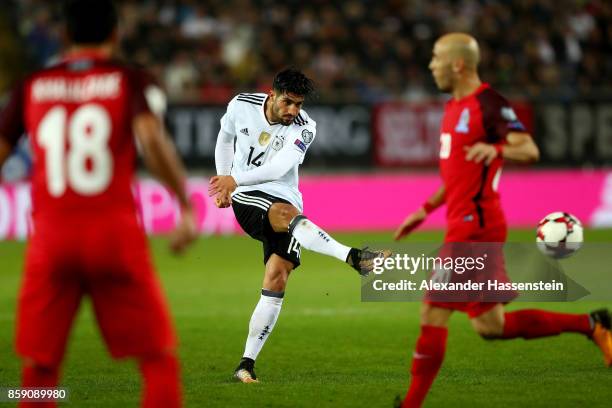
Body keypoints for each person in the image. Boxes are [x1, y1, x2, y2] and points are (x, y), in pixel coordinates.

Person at [393, 33, 612, 408]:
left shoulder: (489, 105)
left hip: (475, 226)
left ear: (458, 64)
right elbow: (458, 175)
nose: (431, 66)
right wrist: (426, 209)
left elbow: (529, 148)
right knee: (491, 327)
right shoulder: (452, 108)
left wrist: (495, 148)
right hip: (464, 221)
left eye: (436, 58)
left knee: (432, 308)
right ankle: (594, 325)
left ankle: (410, 405)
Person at [0, 1, 197, 407]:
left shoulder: (33, 84)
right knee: (157, 359)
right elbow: (151, 141)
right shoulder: (130, 79)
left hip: (50, 241)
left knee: (39, 367)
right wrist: (185, 204)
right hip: (113, 236)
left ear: (65, 36)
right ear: (115, 34)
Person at [210, 67, 391, 383]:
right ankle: (355, 258)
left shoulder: (306, 127)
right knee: (284, 215)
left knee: (277, 277)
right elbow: (225, 139)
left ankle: (245, 364)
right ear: (272, 95)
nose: (293, 110)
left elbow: (279, 167)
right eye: (288, 103)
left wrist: (232, 177)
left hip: (285, 198)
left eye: (299, 104)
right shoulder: (241, 104)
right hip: (249, 196)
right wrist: (225, 180)